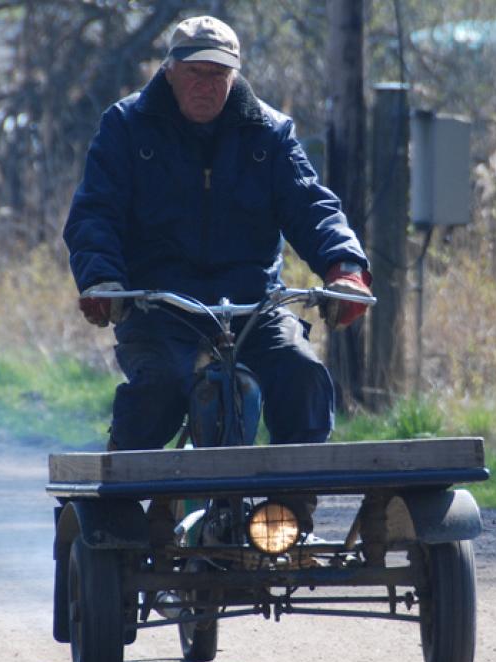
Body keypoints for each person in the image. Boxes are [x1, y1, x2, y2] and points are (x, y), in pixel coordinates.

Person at [62, 16, 372, 538]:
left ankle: (289, 511)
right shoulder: (126, 126)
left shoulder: (269, 133)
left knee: (301, 372)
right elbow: (95, 214)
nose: (207, 85)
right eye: (195, 73)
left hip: (254, 305)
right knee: (158, 390)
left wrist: (345, 268)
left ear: (236, 75)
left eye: (219, 74)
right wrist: (103, 281)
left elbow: (312, 206)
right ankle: (121, 518)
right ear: (170, 70)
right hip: (160, 308)